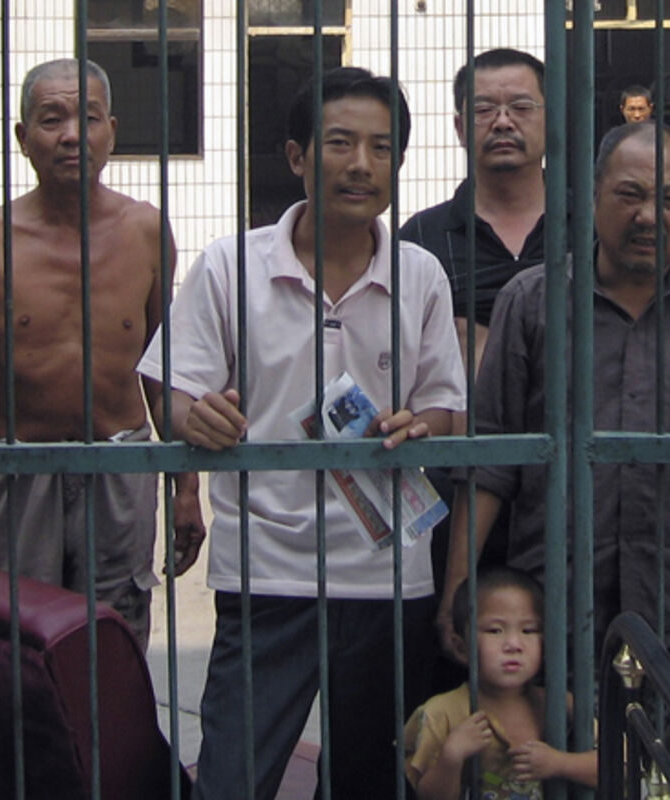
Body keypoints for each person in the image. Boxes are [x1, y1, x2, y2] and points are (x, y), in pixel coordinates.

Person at [441, 121, 670, 796]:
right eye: (629, 194)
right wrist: (460, 594)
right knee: (557, 781)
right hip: (558, 610)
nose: (647, 215)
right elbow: (489, 460)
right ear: (591, 197)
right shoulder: (533, 301)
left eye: (668, 198)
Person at [137, 67, 466, 799]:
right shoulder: (231, 266)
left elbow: (449, 407)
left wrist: (423, 423)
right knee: (234, 774)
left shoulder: (421, 274)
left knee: (367, 781)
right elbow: (171, 387)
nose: (361, 164)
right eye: (341, 143)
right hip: (266, 569)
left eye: (381, 148)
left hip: (388, 573)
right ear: (296, 156)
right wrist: (195, 417)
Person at [0, 58, 204, 649]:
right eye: (51, 119)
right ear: (23, 138)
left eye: (87, 118)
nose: (71, 135)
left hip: (119, 466)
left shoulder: (145, 231)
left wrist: (186, 486)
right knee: (15, 645)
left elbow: (163, 370)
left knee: (113, 642)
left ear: (110, 131)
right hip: (14, 469)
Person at [401, 48, 550, 376]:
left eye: (521, 108)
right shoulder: (422, 238)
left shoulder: (591, 228)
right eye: (483, 110)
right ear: (460, 127)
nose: (503, 122)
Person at [405, 566, 598, 799]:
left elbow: (619, 767)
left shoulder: (560, 704)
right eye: (495, 631)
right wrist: (451, 757)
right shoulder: (441, 713)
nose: (513, 644)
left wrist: (560, 763)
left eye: (528, 630)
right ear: (461, 647)